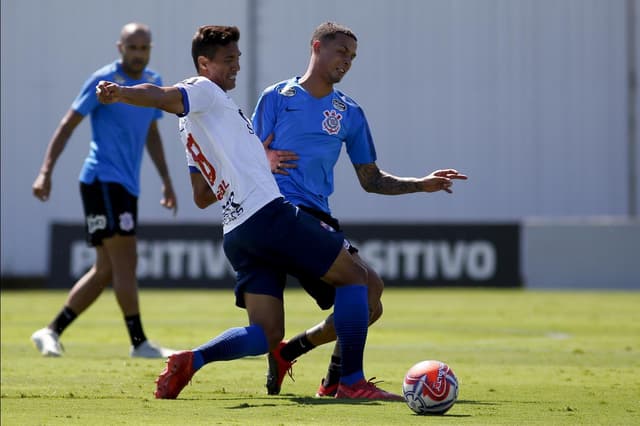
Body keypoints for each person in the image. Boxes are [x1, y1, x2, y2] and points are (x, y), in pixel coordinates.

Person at [95, 25, 413, 400]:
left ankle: (192, 360)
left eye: (238, 59)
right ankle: (350, 383)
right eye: (229, 60)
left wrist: (250, 165)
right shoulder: (203, 90)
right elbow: (162, 95)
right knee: (358, 282)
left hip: (237, 231)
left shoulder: (191, 126)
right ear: (204, 63)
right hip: (270, 217)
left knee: (266, 333)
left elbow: (200, 195)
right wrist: (124, 93)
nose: (237, 67)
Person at [251, 21, 468, 397]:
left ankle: (301, 357)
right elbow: (245, 154)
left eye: (352, 56)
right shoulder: (276, 97)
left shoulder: (348, 112)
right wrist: (264, 155)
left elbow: (370, 179)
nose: (347, 61)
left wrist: (421, 183)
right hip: (281, 212)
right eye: (341, 52)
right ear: (317, 47)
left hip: (317, 214)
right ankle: (347, 381)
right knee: (366, 285)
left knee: (371, 304)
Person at [31, 22, 178, 359]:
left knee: (106, 270)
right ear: (120, 48)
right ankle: (139, 343)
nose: (138, 54)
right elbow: (67, 125)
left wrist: (167, 180)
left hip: (125, 185)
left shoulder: (152, 83)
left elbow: (152, 134)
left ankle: (51, 331)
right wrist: (45, 172)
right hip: (102, 179)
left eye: (144, 48)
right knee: (125, 261)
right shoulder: (103, 82)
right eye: (132, 47)